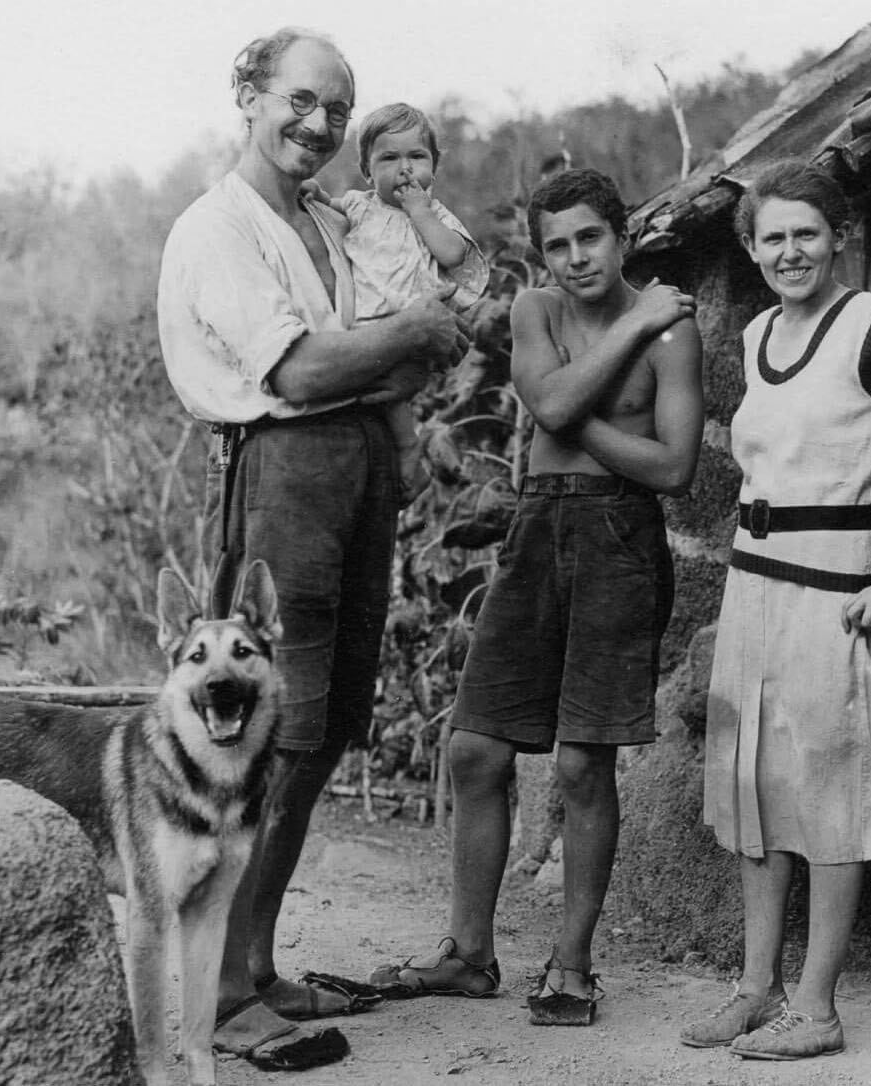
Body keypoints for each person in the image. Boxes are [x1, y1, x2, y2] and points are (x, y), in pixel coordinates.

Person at [156, 27, 468, 1072]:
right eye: (300, 101)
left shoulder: (329, 220)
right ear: (247, 95)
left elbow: (359, 362)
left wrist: (380, 360)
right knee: (260, 732)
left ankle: (256, 957)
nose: (320, 126)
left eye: (337, 110)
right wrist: (417, 336)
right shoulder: (218, 228)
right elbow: (295, 374)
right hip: (284, 470)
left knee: (326, 723)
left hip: (357, 467)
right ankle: (224, 991)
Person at [368, 168, 704, 1026]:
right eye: (556, 246)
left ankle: (573, 961)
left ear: (622, 236)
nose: (574, 258)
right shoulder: (541, 312)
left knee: (584, 762)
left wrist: (564, 414)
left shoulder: (677, 335)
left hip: (621, 539)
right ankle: (470, 954)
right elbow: (546, 401)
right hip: (536, 531)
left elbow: (672, 468)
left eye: (589, 237)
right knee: (475, 750)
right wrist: (624, 334)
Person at [681, 161, 871, 1060]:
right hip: (754, 572)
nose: (790, 251)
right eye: (772, 238)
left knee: (831, 786)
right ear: (753, 250)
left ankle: (818, 1006)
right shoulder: (760, 330)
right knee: (756, 780)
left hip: (837, 575)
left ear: (838, 235)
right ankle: (755, 988)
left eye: (806, 233)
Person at [307, 102, 489, 502]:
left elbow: (454, 255)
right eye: (389, 158)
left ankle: (409, 451)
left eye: (416, 157)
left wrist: (419, 212)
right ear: (369, 172)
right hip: (366, 324)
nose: (405, 168)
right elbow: (331, 211)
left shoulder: (434, 213)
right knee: (368, 394)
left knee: (393, 397)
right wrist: (316, 193)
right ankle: (390, 458)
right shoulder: (360, 204)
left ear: (434, 169)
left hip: (412, 321)